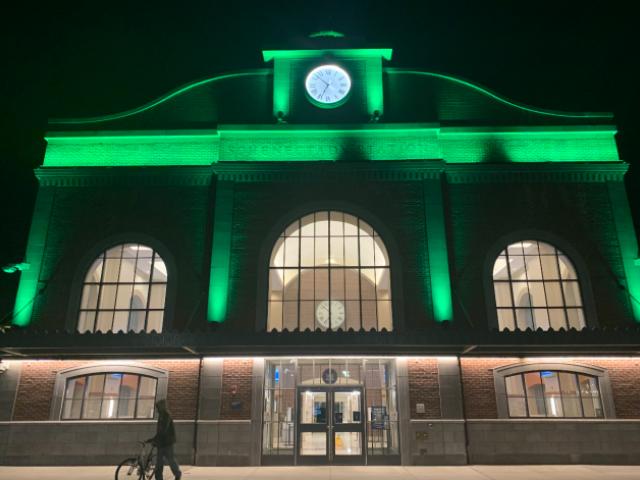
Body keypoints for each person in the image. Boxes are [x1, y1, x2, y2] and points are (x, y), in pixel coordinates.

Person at [148, 399, 182, 480]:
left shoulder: (166, 415)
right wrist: (153, 439)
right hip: (161, 442)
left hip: (167, 442)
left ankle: (177, 473)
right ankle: (158, 477)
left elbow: (163, 430)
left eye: (158, 407)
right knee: (159, 461)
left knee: (170, 459)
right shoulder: (161, 415)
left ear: (161, 407)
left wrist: (155, 439)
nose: (157, 409)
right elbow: (160, 430)